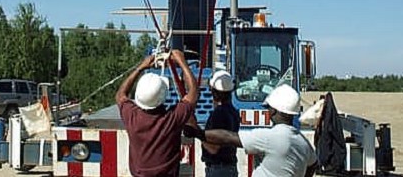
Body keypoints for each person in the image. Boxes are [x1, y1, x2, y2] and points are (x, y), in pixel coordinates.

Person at [185, 84, 318, 177]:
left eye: (268, 108)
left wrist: (198, 133)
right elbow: (313, 164)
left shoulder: (270, 137)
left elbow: (228, 137)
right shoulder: (303, 143)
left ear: (273, 111)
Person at [116, 49, 199, 177]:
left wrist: (140, 68)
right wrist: (182, 62)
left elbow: (120, 95)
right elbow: (193, 93)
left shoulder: (132, 116)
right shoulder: (171, 119)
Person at [200, 70, 240, 177]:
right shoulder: (233, 112)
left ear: (214, 92)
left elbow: (213, 148)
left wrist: (198, 134)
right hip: (229, 168)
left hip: (218, 170)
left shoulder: (219, 114)